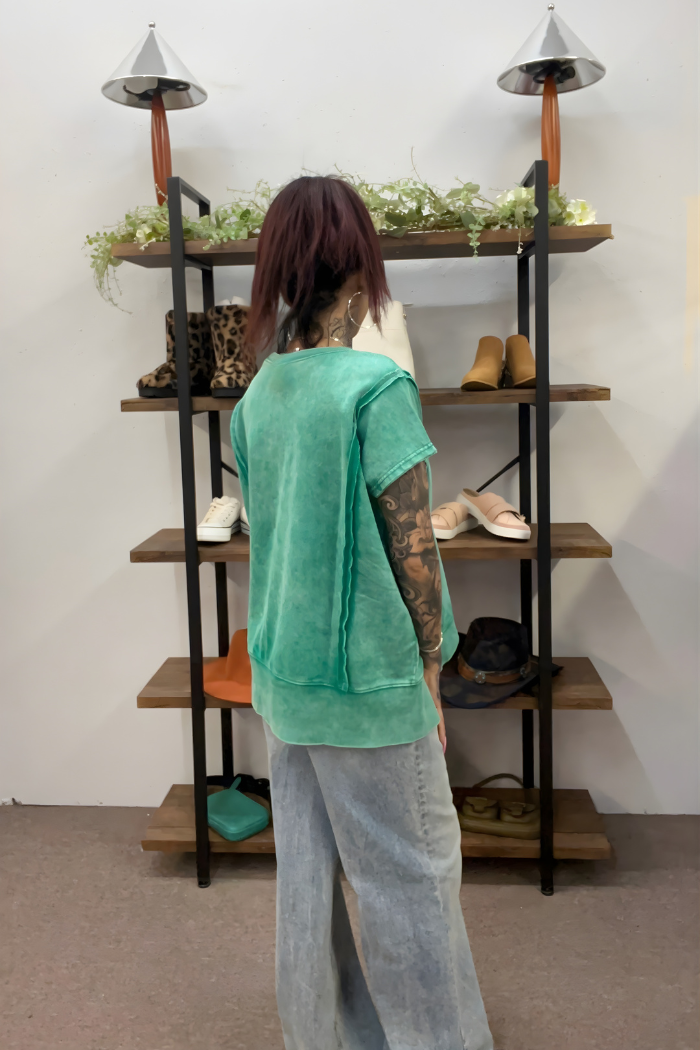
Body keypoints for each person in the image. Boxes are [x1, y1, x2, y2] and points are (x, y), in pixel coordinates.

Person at [231, 175, 494, 1050]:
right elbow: (412, 543)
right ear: (362, 270)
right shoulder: (375, 387)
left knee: (307, 881)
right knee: (410, 877)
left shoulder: (259, 395)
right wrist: (433, 659)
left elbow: (271, 538)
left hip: (286, 679)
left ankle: (330, 1040)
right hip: (370, 683)